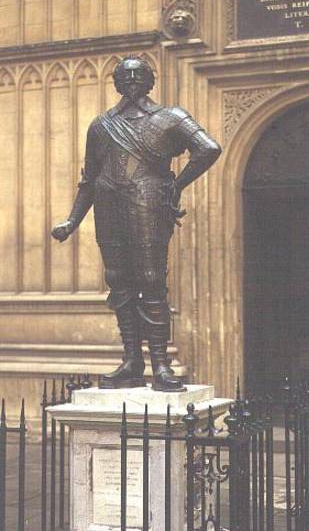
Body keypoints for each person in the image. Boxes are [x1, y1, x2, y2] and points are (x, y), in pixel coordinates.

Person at [52, 56, 221, 391]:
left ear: (150, 80)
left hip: (148, 204)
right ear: (115, 82)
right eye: (124, 76)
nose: (130, 80)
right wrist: (72, 220)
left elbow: (208, 148)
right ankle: (132, 360)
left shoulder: (171, 117)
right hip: (108, 205)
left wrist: (176, 184)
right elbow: (90, 177)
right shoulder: (100, 125)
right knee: (119, 282)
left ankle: (161, 364)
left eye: (137, 75)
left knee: (151, 280)